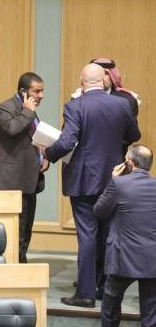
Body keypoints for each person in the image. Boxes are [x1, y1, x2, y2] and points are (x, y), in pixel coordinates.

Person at [45, 64, 140, 308]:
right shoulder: (123, 104)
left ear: (82, 81)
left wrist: (48, 154)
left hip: (84, 179)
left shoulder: (76, 106)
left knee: (87, 235)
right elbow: (134, 135)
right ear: (104, 80)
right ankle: (106, 291)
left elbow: (67, 142)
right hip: (114, 178)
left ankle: (85, 294)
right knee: (108, 234)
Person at [0, 72, 49, 263]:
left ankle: (21, 264)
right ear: (23, 91)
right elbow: (12, 129)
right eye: (36, 91)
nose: (41, 95)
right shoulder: (5, 108)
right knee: (15, 233)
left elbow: (33, 138)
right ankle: (16, 268)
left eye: (42, 91)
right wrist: (27, 112)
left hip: (29, 180)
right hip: (11, 182)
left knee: (25, 230)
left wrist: (44, 156)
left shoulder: (29, 109)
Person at [94, 145, 156, 327]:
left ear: (129, 162)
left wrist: (113, 180)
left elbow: (99, 211)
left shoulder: (119, 184)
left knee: (110, 308)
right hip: (152, 259)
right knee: (151, 315)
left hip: (122, 257)